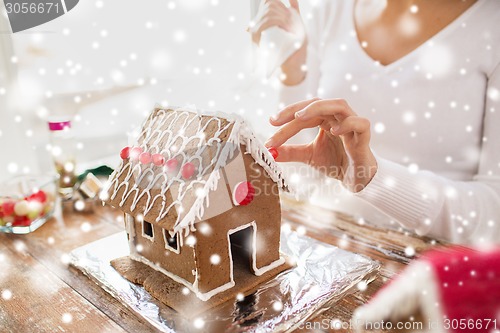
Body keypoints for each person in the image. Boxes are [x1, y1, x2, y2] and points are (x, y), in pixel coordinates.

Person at [249, 0, 500, 244]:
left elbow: (493, 218)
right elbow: (297, 181)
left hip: (425, 270)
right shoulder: (329, 10)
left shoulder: (491, 26)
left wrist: (374, 179)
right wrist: (292, 76)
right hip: (325, 247)